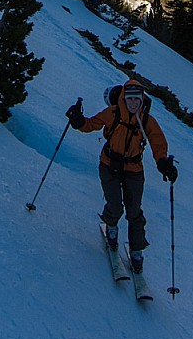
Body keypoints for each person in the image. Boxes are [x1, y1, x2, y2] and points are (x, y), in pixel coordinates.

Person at [65, 77, 178, 274]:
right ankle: (111, 228)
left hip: (134, 170)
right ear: (124, 98)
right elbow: (92, 124)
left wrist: (163, 162)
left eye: (137, 99)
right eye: (130, 99)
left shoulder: (147, 121)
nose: (133, 103)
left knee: (135, 212)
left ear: (142, 100)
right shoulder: (113, 113)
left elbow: (158, 142)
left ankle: (136, 252)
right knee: (115, 205)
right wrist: (78, 121)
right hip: (109, 165)